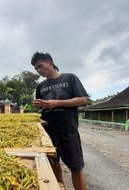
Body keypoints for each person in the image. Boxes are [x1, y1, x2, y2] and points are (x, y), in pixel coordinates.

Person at [31, 52, 88, 190]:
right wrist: (39, 104)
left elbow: (83, 99)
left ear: (50, 63)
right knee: (53, 165)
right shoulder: (41, 86)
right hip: (47, 132)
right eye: (36, 69)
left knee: (76, 167)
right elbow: (43, 104)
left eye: (40, 66)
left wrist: (57, 103)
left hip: (68, 130)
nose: (38, 71)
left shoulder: (70, 78)